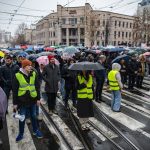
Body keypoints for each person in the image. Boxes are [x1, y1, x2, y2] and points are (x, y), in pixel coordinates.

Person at [13, 59, 43, 142]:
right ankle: (21, 133)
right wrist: (15, 103)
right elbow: (15, 90)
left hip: (33, 99)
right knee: (22, 118)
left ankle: (35, 130)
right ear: (24, 66)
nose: (31, 66)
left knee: (33, 116)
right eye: (29, 65)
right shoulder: (17, 75)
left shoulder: (33, 73)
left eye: (31, 65)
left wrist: (38, 99)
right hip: (22, 101)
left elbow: (37, 87)